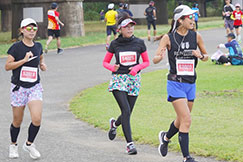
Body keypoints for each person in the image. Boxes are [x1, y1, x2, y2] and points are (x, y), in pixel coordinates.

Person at [153, 5, 208, 162]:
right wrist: (160, 57)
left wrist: (200, 55)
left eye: (193, 17)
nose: (193, 20)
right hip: (175, 83)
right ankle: (187, 157)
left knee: (182, 119)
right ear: (180, 20)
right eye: (189, 17)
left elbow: (206, 56)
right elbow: (155, 58)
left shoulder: (196, 36)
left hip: (191, 83)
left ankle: (165, 137)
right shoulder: (168, 38)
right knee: (187, 120)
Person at [103, 14, 150, 155]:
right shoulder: (115, 44)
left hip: (133, 80)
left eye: (131, 26)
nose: (130, 29)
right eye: (126, 27)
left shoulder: (140, 43)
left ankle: (115, 124)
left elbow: (146, 62)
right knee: (126, 110)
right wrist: (113, 68)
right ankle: (130, 144)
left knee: (128, 112)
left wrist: (136, 68)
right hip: (119, 79)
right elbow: (105, 62)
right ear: (119, 29)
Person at [5, 18, 47, 159]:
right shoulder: (16, 48)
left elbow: (40, 57)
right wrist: (23, 61)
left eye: (34, 29)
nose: (32, 31)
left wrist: (42, 64)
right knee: (17, 121)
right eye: (28, 28)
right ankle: (13, 144)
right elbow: (7, 66)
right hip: (18, 88)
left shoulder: (38, 46)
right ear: (22, 30)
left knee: (37, 119)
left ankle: (29, 144)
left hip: (34, 86)